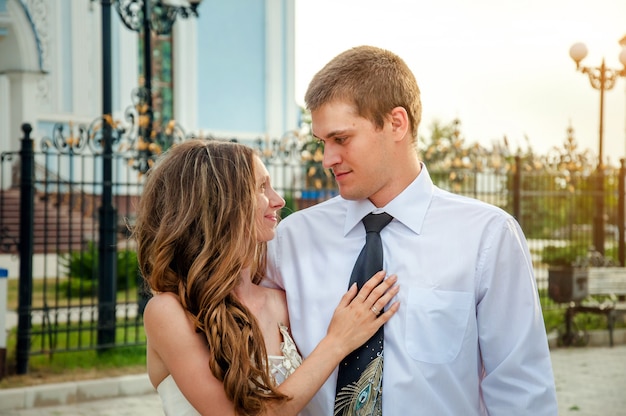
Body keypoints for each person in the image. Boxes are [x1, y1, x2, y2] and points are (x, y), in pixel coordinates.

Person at [266, 45, 558, 415]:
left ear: (396, 123)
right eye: (322, 143)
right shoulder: (290, 240)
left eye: (341, 139)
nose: (327, 160)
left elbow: (520, 389)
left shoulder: (487, 236)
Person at [133, 139, 400, 416]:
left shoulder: (281, 303)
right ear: (218, 205)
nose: (278, 200)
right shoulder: (169, 312)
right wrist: (337, 342)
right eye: (261, 187)